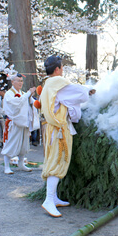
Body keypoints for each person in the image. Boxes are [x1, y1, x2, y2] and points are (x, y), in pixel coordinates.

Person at [40, 56, 95, 217]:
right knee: (57, 161)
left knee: (55, 159)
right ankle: (49, 200)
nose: (62, 70)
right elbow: (78, 93)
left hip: (53, 128)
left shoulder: (48, 84)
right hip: (59, 130)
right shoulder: (57, 82)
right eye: (62, 67)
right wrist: (88, 90)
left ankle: (54, 197)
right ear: (57, 69)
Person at [0, 74, 38, 174]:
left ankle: (21, 164)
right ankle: (6, 167)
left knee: (24, 144)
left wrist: (31, 98)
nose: (21, 83)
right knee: (10, 143)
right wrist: (27, 94)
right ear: (12, 82)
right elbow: (17, 103)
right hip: (13, 123)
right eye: (18, 80)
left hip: (24, 122)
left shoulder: (23, 93)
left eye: (21, 81)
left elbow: (30, 103)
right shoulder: (9, 94)